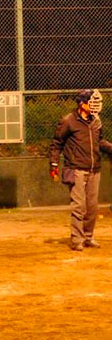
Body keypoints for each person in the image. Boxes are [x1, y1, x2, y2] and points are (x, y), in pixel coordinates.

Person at [49, 88, 110, 251]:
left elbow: (99, 141)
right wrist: (54, 164)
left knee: (92, 207)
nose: (96, 105)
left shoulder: (96, 121)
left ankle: (88, 237)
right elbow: (56, 143)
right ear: (82, 104)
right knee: (79, 206)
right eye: (92, 102)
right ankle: (77, 239)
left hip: (94, 169)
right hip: (75, 169)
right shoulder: (68, 121)